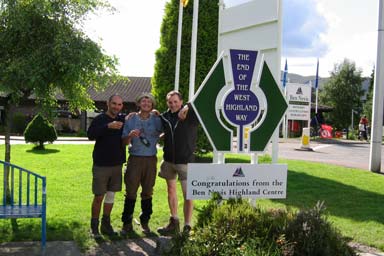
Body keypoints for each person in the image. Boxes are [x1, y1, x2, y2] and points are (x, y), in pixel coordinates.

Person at [157, 90, 199, 235]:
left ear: (181, 102)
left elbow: (200, 103)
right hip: (168, 161)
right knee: (171, 191)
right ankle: (174, 222)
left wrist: (187, 107)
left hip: (185, 161)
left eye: (176, 102)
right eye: (170, 102)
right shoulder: (164, 116)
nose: (173, 105)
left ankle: (187, 226)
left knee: (188, 194)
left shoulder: (191, 115)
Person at [120, 93, 163, 235]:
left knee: (148, 191)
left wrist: (159, 136)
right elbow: (123, 142)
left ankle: (145, 221)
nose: (146, 103)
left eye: (149, 102)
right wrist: (130, 136)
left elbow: (165, 131)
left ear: (152, 105)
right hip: (135, 159)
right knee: (131, 192)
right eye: (143, 101)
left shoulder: (157, 119)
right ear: (138, 104)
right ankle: (127, 223)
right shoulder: (131, 119)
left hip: (151, 159)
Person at [87, 94, 126, 237]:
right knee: (99, 196)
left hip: (117, 165)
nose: (116, 106)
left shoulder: (122, 119)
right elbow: (90, 135)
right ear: (108, 103)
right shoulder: (100, 119)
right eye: (114, 103)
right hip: (101, 165)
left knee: (111, 196)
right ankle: (94, 227)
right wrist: (108, 126)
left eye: (119, 104)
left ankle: (106, 225)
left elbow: (135, 118)